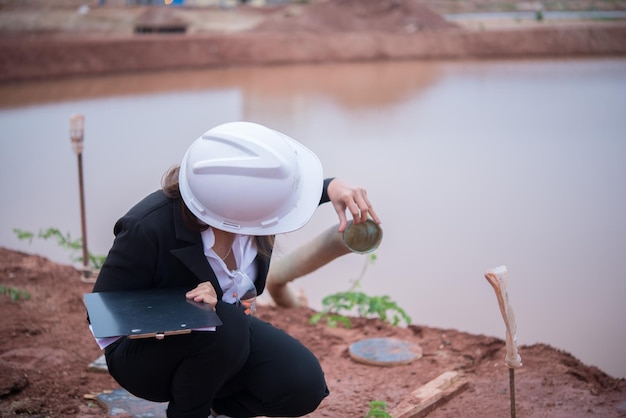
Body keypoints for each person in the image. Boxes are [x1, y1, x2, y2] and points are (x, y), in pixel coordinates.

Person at [89, 121, 381, 418]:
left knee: (302, 385)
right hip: (147, 355)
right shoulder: (147, 227)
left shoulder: (255, 210)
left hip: (225, 338)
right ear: (238, 208)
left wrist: (330, 185)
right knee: (225, 326)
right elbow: (102, 313)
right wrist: (185, 305)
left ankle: (223, 406)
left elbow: (284, 193)